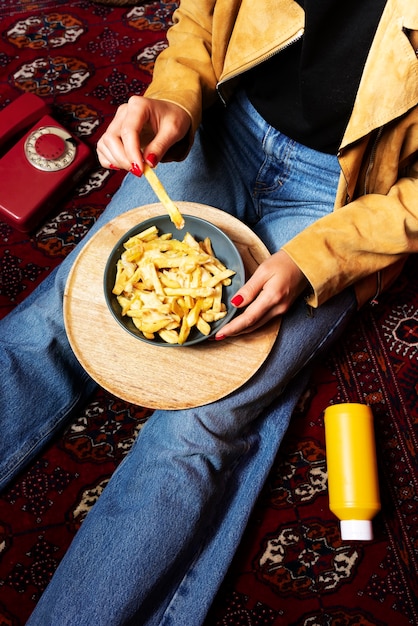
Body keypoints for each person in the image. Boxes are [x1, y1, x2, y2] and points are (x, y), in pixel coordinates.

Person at [2, 0, 418, 624]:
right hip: (228, 120)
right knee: (59, 319)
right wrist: (174, 96)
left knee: (205, 424)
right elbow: (201, 18)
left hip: (348, 201)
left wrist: (317, 259)